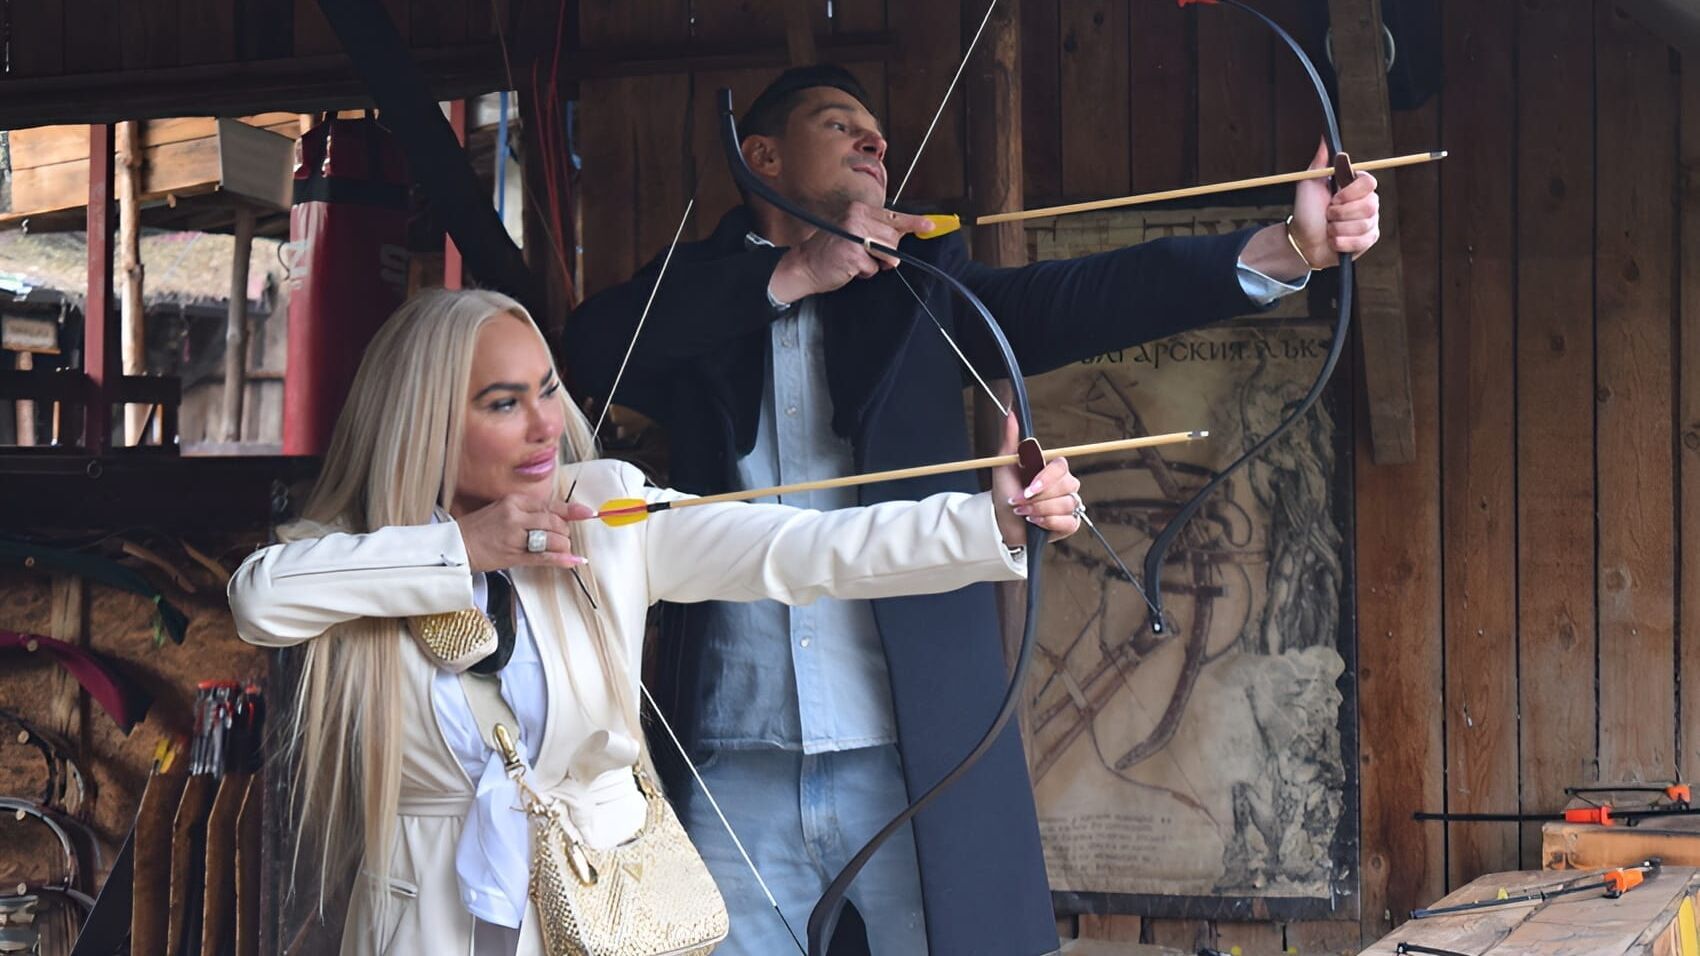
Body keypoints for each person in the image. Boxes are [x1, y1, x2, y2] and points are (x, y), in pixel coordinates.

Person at [564, 64, 1381, 956]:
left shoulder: (917, 282)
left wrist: (1285, 249)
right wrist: (795, 273)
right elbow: (590, 351)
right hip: (734, 752)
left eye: (877, 131)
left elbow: (1074, 301)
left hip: (911, 751)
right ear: (761, 155)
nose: (874, 140)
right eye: (838, 124)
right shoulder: (692, 288)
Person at [227, 288, 1083, 955]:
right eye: (503, 403)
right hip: (427, 930)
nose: (546, 424)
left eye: (549, 389)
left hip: (603, 917)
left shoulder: (604, 511)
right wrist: (463, 548)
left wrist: (992, 523)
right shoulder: (370, 557)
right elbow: (259, 599)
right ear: (429, 423)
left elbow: (801, 548)